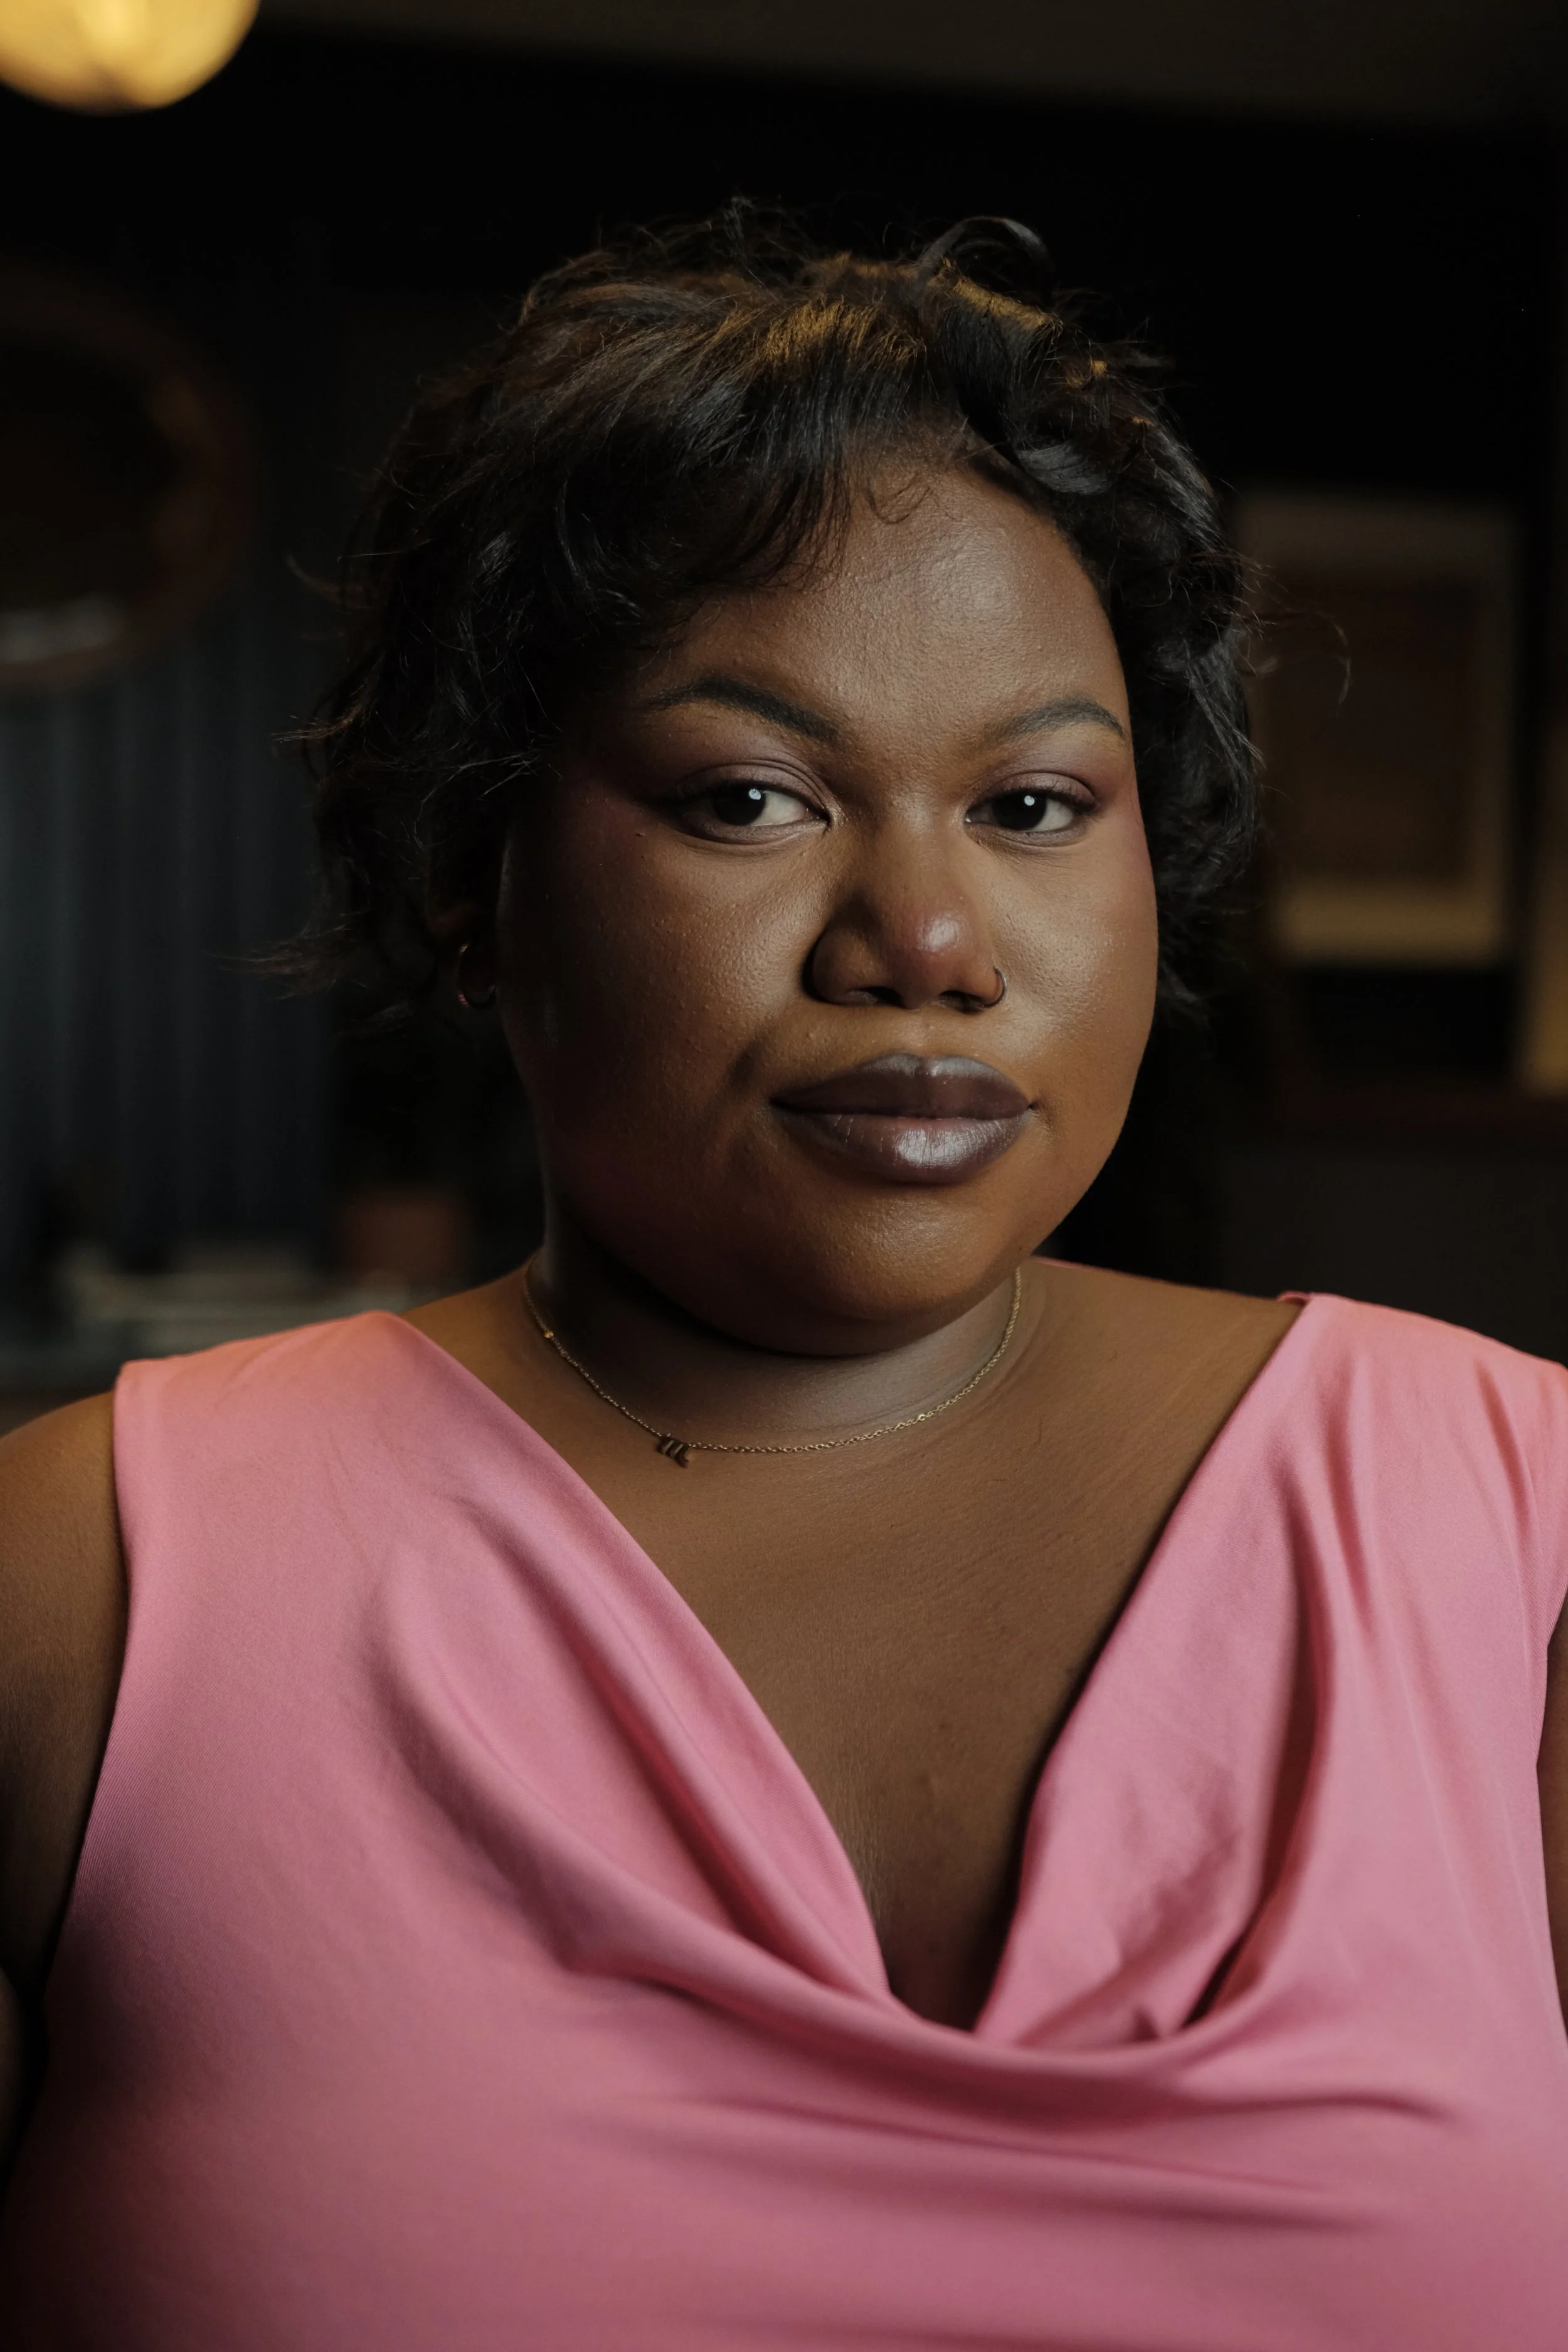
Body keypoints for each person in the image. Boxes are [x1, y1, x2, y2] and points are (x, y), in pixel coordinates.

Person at [0, 215, 1564, 2350]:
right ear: (477, 874)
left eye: (1030, 800)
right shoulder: (76, 1599)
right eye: (748, 794)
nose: (922, 933)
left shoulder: (1511, 1522)